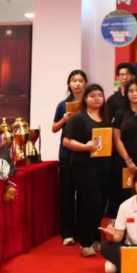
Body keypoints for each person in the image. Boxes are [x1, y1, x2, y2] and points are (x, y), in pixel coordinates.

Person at [63, 83, 111, 257]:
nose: (97, 98)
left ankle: (95, 237)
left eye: (100, 95)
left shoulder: (106, 117)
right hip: (84, 167)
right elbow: (67, 141)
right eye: (92, 96)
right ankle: (85, 242)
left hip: (104, 166)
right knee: (87, 203)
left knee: (100, 203)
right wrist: (86, 147)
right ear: (85, 99)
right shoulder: (79, 118)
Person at [52, 69, 87, 246]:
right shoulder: (62, 105)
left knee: (83, 194)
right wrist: (63, 120)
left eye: (80, 80)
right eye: (74, 80)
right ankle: (67, 233)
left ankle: (82, 232)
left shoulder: (89, 104)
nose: (77, 84)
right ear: (69, 84)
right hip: (66, 154)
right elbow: (54, 128)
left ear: (85, 84)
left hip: (85, 154)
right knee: (66, 193)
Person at [108, 80, 137, 220]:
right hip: (123, 161)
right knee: (122, 195)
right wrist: (128, 161)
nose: (134, 94)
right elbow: (117, 139)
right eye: (131, 91)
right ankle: (119, 226)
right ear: (126, 94)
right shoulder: (120, 113)